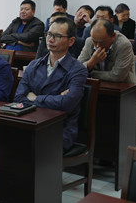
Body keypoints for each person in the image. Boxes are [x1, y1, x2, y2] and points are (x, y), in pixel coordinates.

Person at [15, 17, 88, 151]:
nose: (50, 39)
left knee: (30, 147)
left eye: (57, 36)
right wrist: (56, 98)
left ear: (71, 41)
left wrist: (35, 98)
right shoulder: (34, 65)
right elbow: (19, 98)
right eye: (49, 34)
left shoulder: (78, 70)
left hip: (59, 129)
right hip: (30, 123)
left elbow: (67, 104)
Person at [78, 19, 136, 109]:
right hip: (98, 93)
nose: (97, 45)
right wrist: (91, 62)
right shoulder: (89, 41)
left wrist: (90, 73)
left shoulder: (123, 44)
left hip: (125, 95)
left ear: (113, 36)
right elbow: (77, 68)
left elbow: (117, 76)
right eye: (94, 41)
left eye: (101, 42)